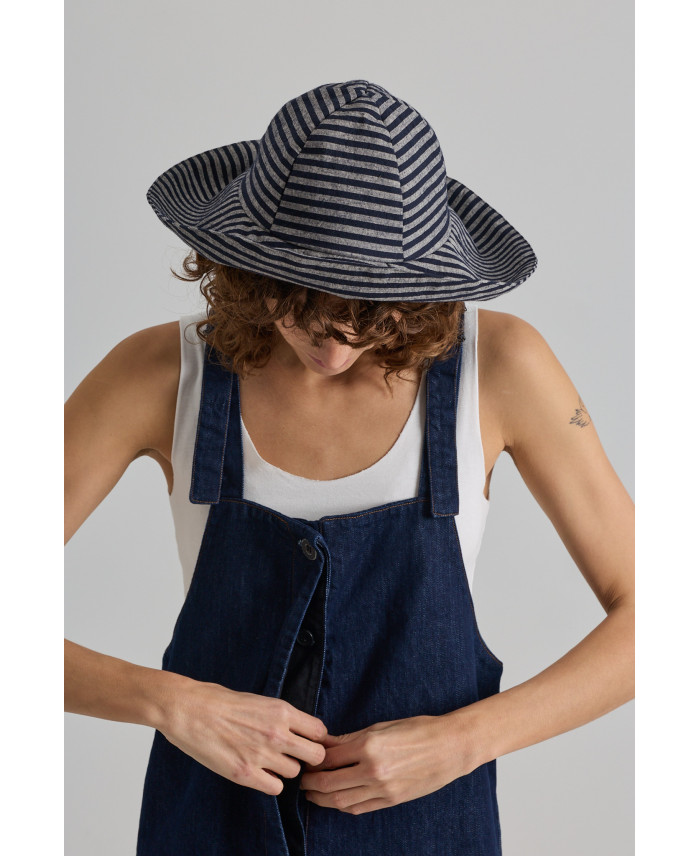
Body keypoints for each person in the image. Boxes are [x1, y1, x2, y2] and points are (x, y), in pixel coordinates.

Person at [64, 80, 634, 855]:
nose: (332, 343)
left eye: (371, 306)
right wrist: (169, 704)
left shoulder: (501, 367)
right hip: (206, 828)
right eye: (299, 300)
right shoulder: (161, 374)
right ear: (248, 267)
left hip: (432, 831)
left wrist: (465, 740)